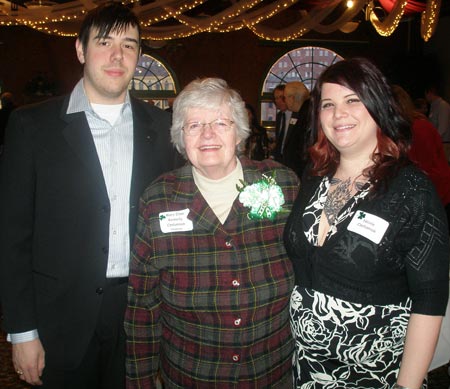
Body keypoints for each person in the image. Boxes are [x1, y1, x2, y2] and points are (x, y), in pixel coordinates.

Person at [0, 3, 178, 389]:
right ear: (81, 50)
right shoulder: (32, 126)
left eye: (129, 45)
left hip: (141, 315)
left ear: (139, 56)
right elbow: (11, 237)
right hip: (59, 318)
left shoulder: (162, 127)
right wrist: (22, 330)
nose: (118, 55)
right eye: (105, 42)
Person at [284, 58, 449, 388]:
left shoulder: (411, 190)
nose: (338, 114)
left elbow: (430, 296)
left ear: (377, 106)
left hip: (377, 374)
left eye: (352, 100)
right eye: (328, 104)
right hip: (307, 368)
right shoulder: (315, 177)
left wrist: (408, 385)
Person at [125, 77, 299, 388]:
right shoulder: (158, 198)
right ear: (181, 136)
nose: (207, 134)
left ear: (239, 131)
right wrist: (140, 382)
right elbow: (142, 306)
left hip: (271, 374)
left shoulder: (283, 184)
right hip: (193, 376)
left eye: (220, 122)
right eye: (194, 125)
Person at [392, 84, 450, 227]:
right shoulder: (409, 127)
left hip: (436, 193)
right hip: (430, 193)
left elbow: (425, 167)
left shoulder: (418, 127)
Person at [282, 81, 311, 178]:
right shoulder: (301, 112)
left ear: (292, 98)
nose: (284, 101)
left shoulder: (308, 115)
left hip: (302, 172)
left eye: (285, 97)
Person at [272, 84, 292, 161]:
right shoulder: (279, 116)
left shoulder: (297, 115)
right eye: (276, 98)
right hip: (279, 158)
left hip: (292, 159)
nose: (279, 101)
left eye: (281, 97)